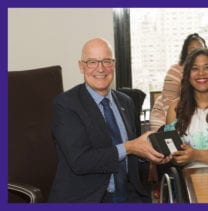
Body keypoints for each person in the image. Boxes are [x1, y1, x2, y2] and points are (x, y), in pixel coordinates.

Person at [48, 38, 170, 203]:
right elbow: (80, 161)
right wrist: (130, 147)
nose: (101, 68)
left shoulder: (126, 102)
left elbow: (131, 154)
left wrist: (150, 155)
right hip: (88, 197)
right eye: (92, 62)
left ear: (114, 64)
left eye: (107, 61)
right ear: (81, 66)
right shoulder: (66, 104)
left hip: (129, 194)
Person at [150, 33, 207, 131]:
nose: (197, 52)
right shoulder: (175, 70)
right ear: (186, 52)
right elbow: (168, 102)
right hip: (166, 114)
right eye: (192, 49)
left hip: (193, 115)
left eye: (200, 49)